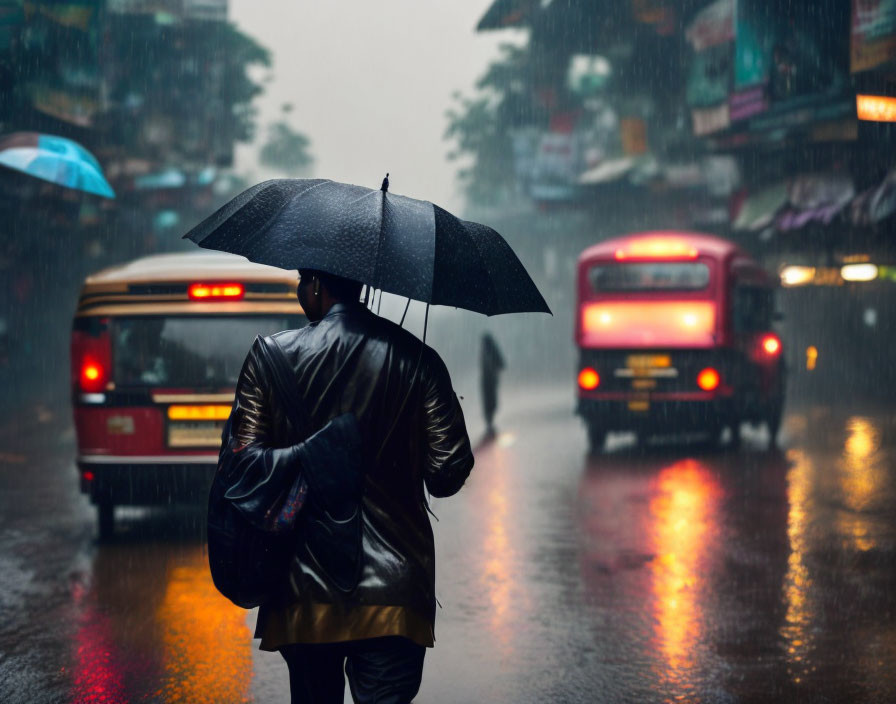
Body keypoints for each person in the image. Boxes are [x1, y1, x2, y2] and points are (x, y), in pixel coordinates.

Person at [230, 269, 474, 703]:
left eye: (304, 279)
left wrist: (304, 457)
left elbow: (243, 469)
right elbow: (448, 472)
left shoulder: (268, 359)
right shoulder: (418, 359)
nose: (301, 289)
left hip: (302, 589)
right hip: (396, 591)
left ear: (319, 285)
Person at [480, 332, 505, 435]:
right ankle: (489, 425)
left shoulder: (492, 351)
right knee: (488, 403)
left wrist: (493, 369)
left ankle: (490, 425)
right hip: (487, 382)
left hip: (490, 382)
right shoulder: (484, 352)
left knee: (491, 403)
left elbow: (502, 364)